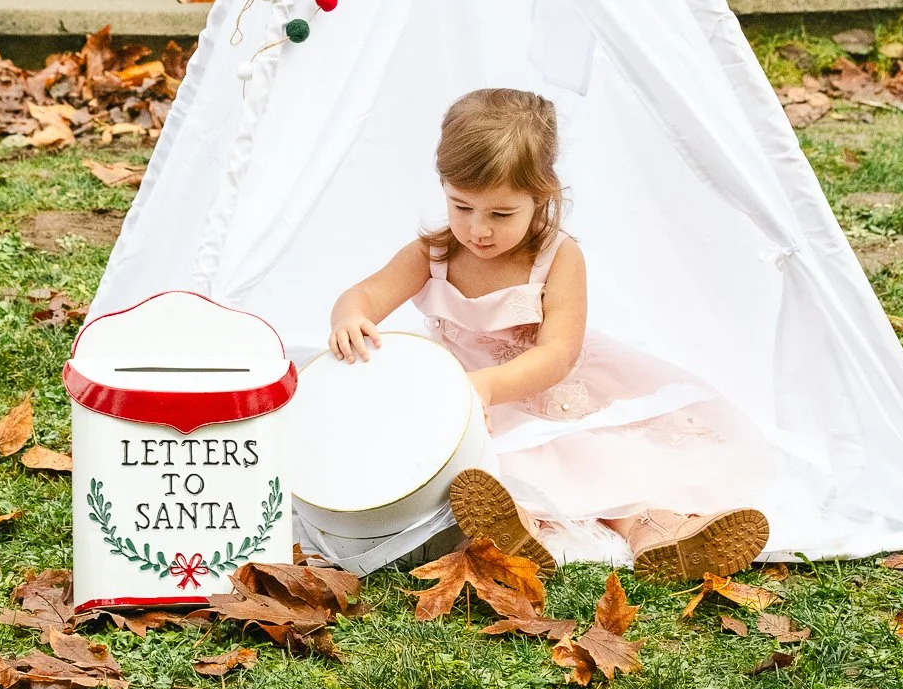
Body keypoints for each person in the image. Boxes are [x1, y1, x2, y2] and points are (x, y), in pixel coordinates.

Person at [328, 87, 770, 579]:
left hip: (545, 393)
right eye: (461, 206)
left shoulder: (557, 258)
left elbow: (558, 352)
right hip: (461, 401)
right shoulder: (431, 254)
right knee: (482, 471)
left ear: (542, 198)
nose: (478, 230)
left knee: (597, 461)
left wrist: (490, 387)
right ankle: (519, 531)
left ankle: (663, 531)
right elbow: (364, 295)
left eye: (501, 214)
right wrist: (349, 316)